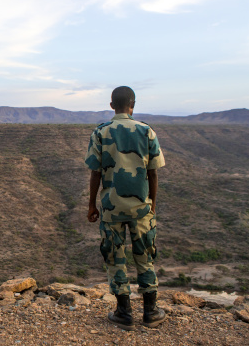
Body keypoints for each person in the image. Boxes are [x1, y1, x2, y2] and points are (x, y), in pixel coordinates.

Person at [84, 86, 166, 330]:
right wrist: (152, 204)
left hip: (111, 209)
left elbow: (95, 173)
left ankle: (124, 313)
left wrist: (91, 205)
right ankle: (150, 312)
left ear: (111, 105)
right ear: (133, 104)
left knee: (115, 259)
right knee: (145, 258)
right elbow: (153, 173)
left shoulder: (101, 132)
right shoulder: (146, 131)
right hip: (141, 208)